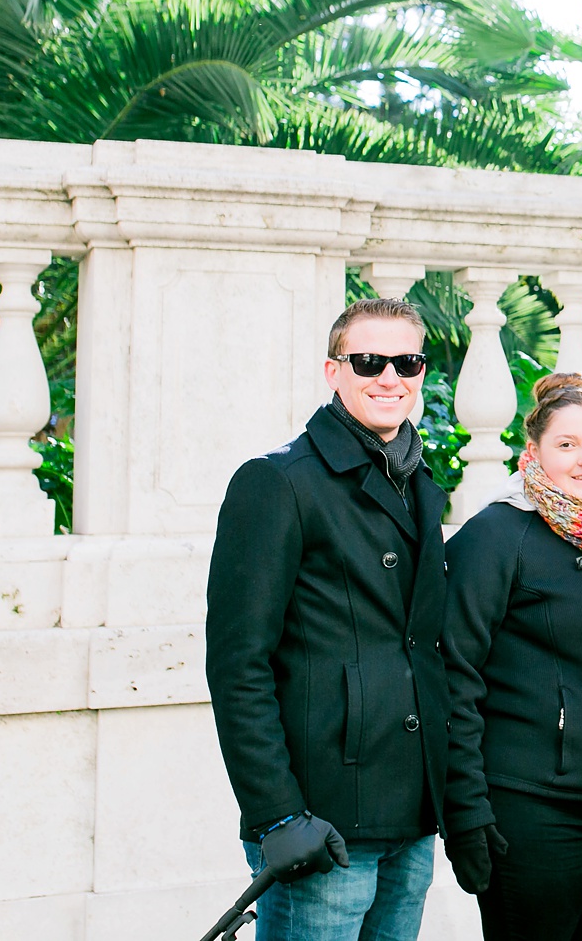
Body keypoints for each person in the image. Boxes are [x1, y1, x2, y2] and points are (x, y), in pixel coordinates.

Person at [205, 297, 450, 941]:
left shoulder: (420, 481)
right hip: (321, 819)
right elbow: (238, 666)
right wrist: (278, 815)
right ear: (333, 369)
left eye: (408, 361)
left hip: (411, 812)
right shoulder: (276, 481)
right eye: (369, 361)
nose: (389, 377)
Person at [441, 372, 582, 941]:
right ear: (531, 453)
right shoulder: (497, 535)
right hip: (532, 808)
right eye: (566, 445)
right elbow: (452, 674)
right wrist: (466, 811)